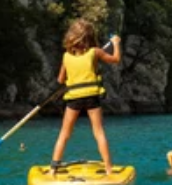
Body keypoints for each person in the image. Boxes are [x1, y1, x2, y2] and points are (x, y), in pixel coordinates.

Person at [48, 20, 121, 175]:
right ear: (90, 37)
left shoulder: (66, 56)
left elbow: (60, 80)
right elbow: (115, 59)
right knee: (99, 132)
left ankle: (53, 168)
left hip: (73, 98)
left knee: (64, 133)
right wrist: (116, 43)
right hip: (91, 97)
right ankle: (108, 169)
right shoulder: (95, 52)